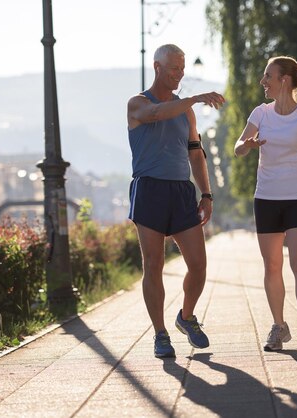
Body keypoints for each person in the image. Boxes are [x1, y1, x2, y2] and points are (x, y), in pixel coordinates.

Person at [126, 44, 225, 358]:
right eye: (174, 69)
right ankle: (160, 334)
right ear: (157, 67)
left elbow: (195, 152)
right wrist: (192, 99)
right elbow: (156, 113)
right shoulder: (138, 103)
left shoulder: (187, 112)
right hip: (149, 190)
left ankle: (186, 316)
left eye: (182, 69)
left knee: (198, 265)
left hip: (182, 191)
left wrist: (206, 194)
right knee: (153, 265)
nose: (180, 74)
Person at [234, 56, 297, 352]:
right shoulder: (260, 114)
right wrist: (247, 145)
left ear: (284, 80)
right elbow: (239, 147)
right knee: (272, 266)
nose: (263, 82)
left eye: (268, 76)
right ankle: (279, 326)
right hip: (266, 198)